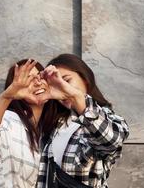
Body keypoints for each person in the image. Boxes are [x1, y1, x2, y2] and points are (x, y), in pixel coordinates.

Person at [36, 54, 129, 188]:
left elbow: (111, 141)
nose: (62, 88)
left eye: (67, 81)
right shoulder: (57, 124)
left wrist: (75, 96)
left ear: (85, 79)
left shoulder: (109, 120)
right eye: (57, 84)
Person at [0, 59, 49, 188]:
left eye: (40, 76)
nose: (37, 83)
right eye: (28, 79)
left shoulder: (51, 128)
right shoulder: (8, 120)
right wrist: (6, 97)